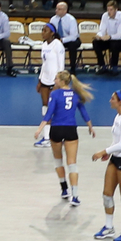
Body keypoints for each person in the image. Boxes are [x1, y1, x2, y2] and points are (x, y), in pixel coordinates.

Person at [89, 88, 121, 241]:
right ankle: (109, 227)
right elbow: (116, 141)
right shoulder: (118, 116)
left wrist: (102, 151)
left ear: (120, 102)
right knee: (107, 194)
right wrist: (109, 153)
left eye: (112, 98)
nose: (110, 100)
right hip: (115, 160)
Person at [43, 74, 94, 207]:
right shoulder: (76, 94)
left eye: (56, 79)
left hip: (56, 129)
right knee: (72, 164)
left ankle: (64, 189)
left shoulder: (55, 94)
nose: (54, 81)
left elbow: (49, 113)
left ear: (61, 81)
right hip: (71, 129)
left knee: (58, 160)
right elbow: (83, 111)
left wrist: (40, 128)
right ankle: (75, 196)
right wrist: (90, 126)